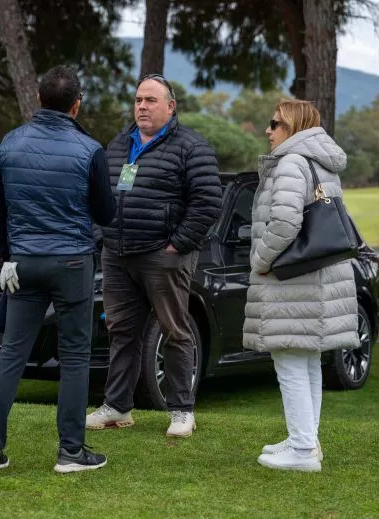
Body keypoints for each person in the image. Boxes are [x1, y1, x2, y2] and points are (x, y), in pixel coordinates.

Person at [0, 65, 116, 474]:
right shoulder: (89, 149)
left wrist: (7, 255)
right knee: (74, 356)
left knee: (11, 355)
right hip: (72, 261)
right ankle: (71, 452)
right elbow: (106, 212)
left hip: (23, 261)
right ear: (76, 105)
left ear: (38, 99)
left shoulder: (9, 144)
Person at [85, 74, 222, 437]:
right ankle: (117, 407)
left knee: (175, 330)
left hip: (164, 256)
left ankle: (181, 410)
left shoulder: (192, 146)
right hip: (118, 254)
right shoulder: (118, 145)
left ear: (170, 106)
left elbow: (208, 202)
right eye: (138, 100)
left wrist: (179, 243)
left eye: (150, 100)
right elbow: (98, 195)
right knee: (121, 332)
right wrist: (103, 235)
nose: (142, 106)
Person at [244, 100, 358, 472]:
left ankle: (304, 450)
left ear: (292, 127)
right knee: (306, 360)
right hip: (316, 276)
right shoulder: (321, 161)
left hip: (293, 279)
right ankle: (304, 440)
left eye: (274, 123)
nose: (268, 130)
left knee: (290, 360)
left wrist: (260, 260)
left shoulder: (292, 162)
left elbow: (285, 222)